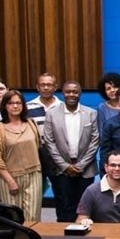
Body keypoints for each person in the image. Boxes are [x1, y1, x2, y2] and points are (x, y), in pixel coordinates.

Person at [43, 81, 100, 222]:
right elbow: (49, 142)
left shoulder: (91, 113)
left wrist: (80, 166)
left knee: (85, 208)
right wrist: (65, 166)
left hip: (85, 170)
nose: (71, 94)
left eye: (75, 92)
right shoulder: (51, 114)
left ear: (80, 93)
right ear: (63, 93)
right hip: (61, 170)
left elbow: (95, 141)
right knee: (65, 208)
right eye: (68, 92)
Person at [0, 90, 43, 222]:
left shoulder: (31, 123)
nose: (15, 106)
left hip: (33, 175)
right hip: (9, 178)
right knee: (14, 219)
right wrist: (10, 181)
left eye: (18, 103)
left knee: (33, 218)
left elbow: (38, 146)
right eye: (11, 103)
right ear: (5, 106)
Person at [75, 150, 120, 224]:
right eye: (113, 165)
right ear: (106, 167)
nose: (117, 169)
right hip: (99, 231)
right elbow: (80, 219)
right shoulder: (91, 191)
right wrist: (84, 222)